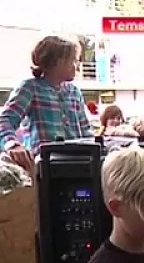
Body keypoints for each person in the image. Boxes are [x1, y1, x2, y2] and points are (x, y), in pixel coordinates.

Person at [1, 36, 93, 171]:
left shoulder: (74, 92)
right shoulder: (31, 87)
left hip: (78, 165)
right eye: (73, 60)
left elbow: (86, 133)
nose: (77, 65)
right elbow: (5, 121)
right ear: (56, 62)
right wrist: (13, 145)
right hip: (44, 168)